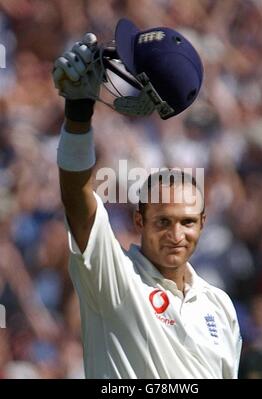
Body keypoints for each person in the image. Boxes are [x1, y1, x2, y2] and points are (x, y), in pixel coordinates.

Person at [53, 18, 242, 379]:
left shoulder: (220, 306)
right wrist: (78, 111)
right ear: (139, 222)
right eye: (162, 221)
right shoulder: (112, 278)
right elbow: (76, 193)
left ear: (203, 223)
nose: (175, 234)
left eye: (187, 222)